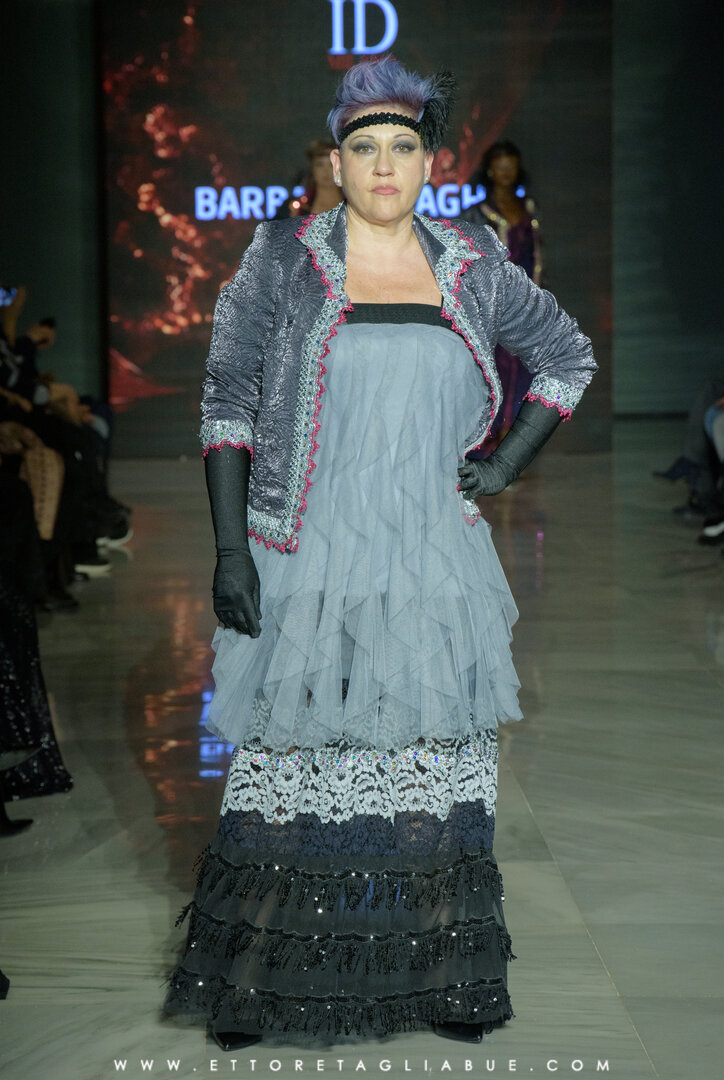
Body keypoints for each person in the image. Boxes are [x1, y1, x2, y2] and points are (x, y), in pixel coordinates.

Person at [164, 55, 596, 1049]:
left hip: (431, 555)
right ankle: (259, 976)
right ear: (337, 161)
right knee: (295, 754)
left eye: (404, 145)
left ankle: (441, 975)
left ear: (430, 161)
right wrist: (230, 551)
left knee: (427, 756)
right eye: (366, 147)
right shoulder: (282, 258)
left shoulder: (474, 263)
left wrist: (505, 463)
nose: (386, 164)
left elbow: (567, 358)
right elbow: (226, 403)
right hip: (305, 551)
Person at [458, 141, 542, 445]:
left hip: (526, 301)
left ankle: (513, 434)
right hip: (491, 304)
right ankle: (489, 434)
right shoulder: (476, 213)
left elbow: (536, 255)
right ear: (490, 170)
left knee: (523, 366)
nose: (506, 172)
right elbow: (468, 261)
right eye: (500, 165)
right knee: (494, 367)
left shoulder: (528, 208)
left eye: (511, 165)